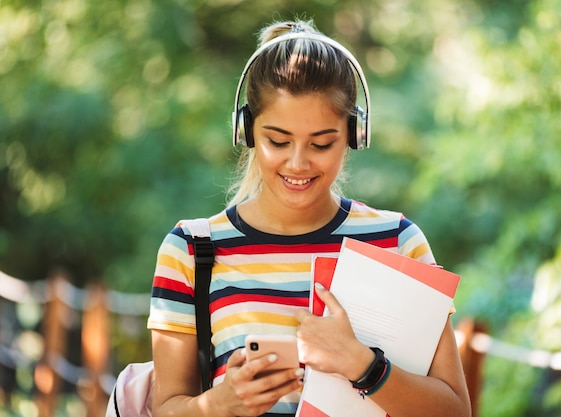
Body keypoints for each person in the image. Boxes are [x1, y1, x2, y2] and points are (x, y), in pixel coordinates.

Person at [147, 19, 471, 417]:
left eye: (321, 143)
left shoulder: (398, 241)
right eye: (278, 141)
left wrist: (362, 365)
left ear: (355, 133)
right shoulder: (191, 250)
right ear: (246, 130)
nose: (298, 163)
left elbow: (455, 410)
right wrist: (220, 403)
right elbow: (165, 409)